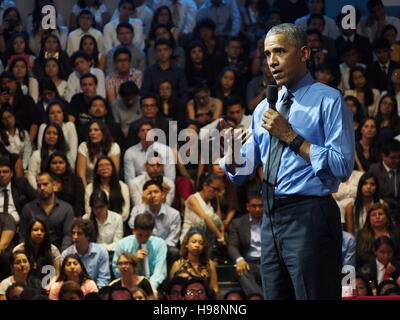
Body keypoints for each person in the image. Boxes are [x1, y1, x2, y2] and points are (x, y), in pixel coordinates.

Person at [220, 23, 355, 300]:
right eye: (268, 54)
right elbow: (242, 173)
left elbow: (342, 166)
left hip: (310, 214)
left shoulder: (329, 100)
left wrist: (290, 136)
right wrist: (233, 155)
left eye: (280, 51)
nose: (272, 61)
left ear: (304, 52)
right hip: (270, 217)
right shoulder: (262, 109)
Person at [19, 172, 74, 251]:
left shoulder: (66, 208)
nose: (42, 188)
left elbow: (68, 235)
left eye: (45, 184)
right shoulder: (28, 208)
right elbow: (23, 235)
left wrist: (62, 255)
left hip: (59, 252)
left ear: (53, 185)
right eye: (39, 185)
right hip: (33, 253)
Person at [128, 179, 180, 264]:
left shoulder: (174, 214)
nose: (153, 195)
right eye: (149, 193)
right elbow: (133, 226)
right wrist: (144, 204)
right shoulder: (137, 209)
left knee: (174, 252)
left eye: (156, 192)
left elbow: (172, 240)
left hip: (164, 247)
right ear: (144, 196)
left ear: (162, 194)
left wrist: (158, 248)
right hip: (142, 245)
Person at [112, 213, 167, 290]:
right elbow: (116, 272)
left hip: (152, 286)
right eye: (140, 235)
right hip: (127, 286)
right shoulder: (122, 244)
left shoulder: (160, 244)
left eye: (147, 235)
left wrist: (149, 289)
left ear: (152, 232)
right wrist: (133, 261)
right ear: (133, 230)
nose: (143, 239)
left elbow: (159, 272)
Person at [227, 193, 263, 296]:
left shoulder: (270, 222)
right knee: (242, 272)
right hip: (248, 263)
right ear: (248, 207)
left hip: (266, 262)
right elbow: (232, 245)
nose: (257, 209)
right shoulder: (238, 223)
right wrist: (240, 259)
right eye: (254, 206)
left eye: (260, 206)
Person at [181, 173, 225, 254]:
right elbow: (204, 217)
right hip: (189, 238)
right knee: (200, 222)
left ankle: (208, 254)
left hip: (205, 240)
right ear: (205, 185)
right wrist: (219, 236)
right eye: (214, 189)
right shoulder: (192, 199)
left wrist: (222, 234)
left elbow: (219, 221)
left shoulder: (213, 200)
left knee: (215, 220)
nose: (216, 192)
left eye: (218, 190)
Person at [61, 218, 110, 288]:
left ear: (88, 236)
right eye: (73, 233)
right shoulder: (66, 254)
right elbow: (64, 278)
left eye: (79, 233)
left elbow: (103, 279)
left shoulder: (101, 252)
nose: (75, 237)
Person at [13, 218, 61, 288]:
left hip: (47, 285)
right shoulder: (18, 249)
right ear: (29, 232)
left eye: (42, 230)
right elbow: (15, 272)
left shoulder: (53, 250)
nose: (39, 233)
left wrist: (49, 286)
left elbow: (56, 274)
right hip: (23, 286)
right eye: (35, 230)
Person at [170, 230, 218, 294]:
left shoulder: (209, 264)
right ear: (187, 244)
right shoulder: (178, 264)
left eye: (201, 243)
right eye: (194, 242)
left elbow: (215, 287)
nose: (197, 245)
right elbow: (172, 288)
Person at [76, 120, 121, 187]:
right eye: (90, 131)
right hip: (89, 184)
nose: (92, 133)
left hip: (109, 184)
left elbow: (114, 172)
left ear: (103, 132)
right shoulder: (83, 146)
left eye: (96, 130)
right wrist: (86, 191)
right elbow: (81, 174)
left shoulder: (114, 147)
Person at [84, 156, 129, 221]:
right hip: (96, 223)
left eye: (108, 165)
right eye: (101, 166)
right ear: (97, 170)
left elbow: (125, 212)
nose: (104, 168)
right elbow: (88, 211)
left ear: (113, 168)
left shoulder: (123, 186)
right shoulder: (89, 188)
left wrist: (113, 223)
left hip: (118, 223)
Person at [36, 100, 78, 169]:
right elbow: (41, 149)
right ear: (48, 116)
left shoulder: (70, 126)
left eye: (59, 112)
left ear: (63, 114)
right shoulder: (43, 127)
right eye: (52, 113)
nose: (56, 115)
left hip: (66, 166)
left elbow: (73, 152)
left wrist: (66, 167)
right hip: (46, 165)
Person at [356, 203, 400, 267]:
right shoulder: (362, 234)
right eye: (373, 215)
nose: (377, 217)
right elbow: (361, 255)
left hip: (394, 268)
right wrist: (380, 263)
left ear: (387, 217)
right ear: (369, 219)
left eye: (380, 214)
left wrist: (392, 264)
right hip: (370, 269)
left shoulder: (397, 233)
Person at [27, 123, 69, 189]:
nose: (51, 136)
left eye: (55, 134)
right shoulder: (36, 154)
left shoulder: (65, 154)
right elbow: (31, 175)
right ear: (44, 136)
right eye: (48, 133)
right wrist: (40, 188)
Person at [0, 72, 38, 143]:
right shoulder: (1, 103)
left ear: (16, 84)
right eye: (4, 83)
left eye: (9, 82)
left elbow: (34, 123)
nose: (7, 85)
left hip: (25, 139)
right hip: (4, 141)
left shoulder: (27, 100)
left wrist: (28, 143)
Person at [44, 151, 85, 217]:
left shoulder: (75, 180)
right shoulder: (44, 180)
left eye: (61, 162)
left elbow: (79, 203)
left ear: (66, 164)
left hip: (72, 216)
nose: (58, 165)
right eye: (54, 163)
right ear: (49, 165)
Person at [368, 139, 400, 222]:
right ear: (383, 156)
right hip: (382, 207)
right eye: (393, 158)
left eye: (399, 157)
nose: (397, 160)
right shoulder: (375, 170)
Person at [0, 157, 38, 225]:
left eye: (5, 172)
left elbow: (37, 200)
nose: (2, 175)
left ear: (11, 173)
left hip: (18, 225)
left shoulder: (20, 184)